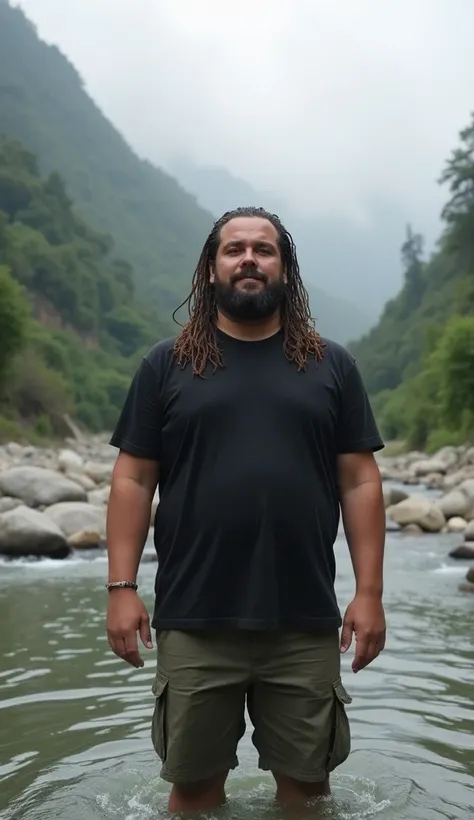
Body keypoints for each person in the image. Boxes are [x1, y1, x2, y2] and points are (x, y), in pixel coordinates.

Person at [106, 206, 386, 814]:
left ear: (286, 269)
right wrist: (121, 586)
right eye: (235, 249)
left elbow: (360, 480)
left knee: (308, 794)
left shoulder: (330, 365)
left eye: (265, 249)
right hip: (194, 617)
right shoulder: (167, 364)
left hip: (305, 619)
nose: (249, 259)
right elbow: (133, 477)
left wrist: (370, 593)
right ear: (211, 269)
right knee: (195, 792)